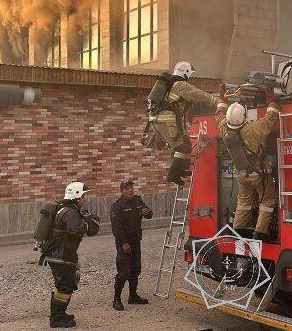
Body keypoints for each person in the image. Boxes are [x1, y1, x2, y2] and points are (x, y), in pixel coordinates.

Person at [216, 88, 279, 241]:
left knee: (244, 201)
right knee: (268, 200)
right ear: (243, 116)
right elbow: (271, 118)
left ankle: (239, 230)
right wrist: (272, 101)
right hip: (258, 172)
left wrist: (222, 99)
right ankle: (260, 233)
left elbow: (219, 115)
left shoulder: (224, 127)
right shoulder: (253, 128)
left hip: (241, 173)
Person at [144, 61, 219, 185]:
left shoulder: (169, 85)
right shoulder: (181, 85)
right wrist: (218, 102)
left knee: (180, 145)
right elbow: (200, 96)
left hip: (156, 121)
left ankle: (181, 170)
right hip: (168, 121)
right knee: (184, 147)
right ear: (186, 73)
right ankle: (172, 174)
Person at [44, 182, 100, 328]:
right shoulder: (69, 212)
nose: (85, 199)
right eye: (83, 196)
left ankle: (60, 313)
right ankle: (56, 319)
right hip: (61, 256)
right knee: (65, 286)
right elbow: (76, 229)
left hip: (60, 254)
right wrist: (89, 222)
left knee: (64, 285)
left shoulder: (64, 209)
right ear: (76, 196)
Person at [110, 180, 153, 311]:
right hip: (124, 243)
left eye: (131, 188)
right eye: (127, 188)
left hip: (136, 241)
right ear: (122, 191)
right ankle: (116, 299)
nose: (130, 190)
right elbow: (116, 227)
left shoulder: (137, 200)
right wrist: (123, 243)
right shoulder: (117, 206)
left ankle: (133, 296)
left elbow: (149, 215)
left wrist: (147, 212)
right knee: (123, 272)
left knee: (135, 269)